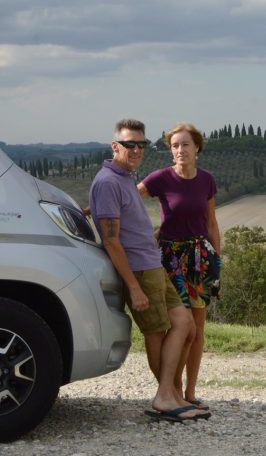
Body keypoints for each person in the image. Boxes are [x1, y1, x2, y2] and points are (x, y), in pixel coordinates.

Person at [89, 119, 210, 422]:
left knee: (186, 325)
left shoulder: (126, 177)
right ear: (114, 146)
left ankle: (172, 394)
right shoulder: (107, 182)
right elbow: (111, 240)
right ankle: (165, 397)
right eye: (129, 144)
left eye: (140, 144)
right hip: (141, 271)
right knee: (156, 334)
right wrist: (133, 286)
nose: (136, 150)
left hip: (153, 265)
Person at [138, 122, 221, 411]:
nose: (180, 150)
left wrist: (217, 262)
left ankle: (189, 392)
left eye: (185, 144)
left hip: (200, 258)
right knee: (180, 326)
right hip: (170, 259)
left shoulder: (207, 180)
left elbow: (211, 222)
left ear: (197, 147)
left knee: (197, 329)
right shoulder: (161, 178)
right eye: (175, 145)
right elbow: (128, 198)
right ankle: (170, 390)